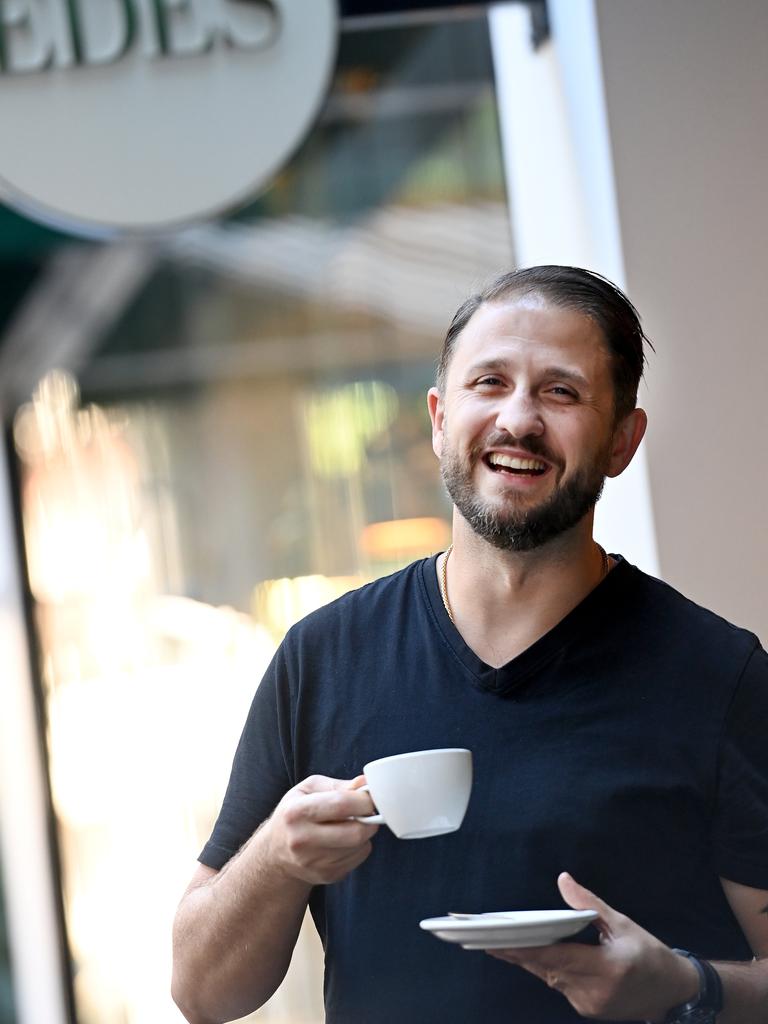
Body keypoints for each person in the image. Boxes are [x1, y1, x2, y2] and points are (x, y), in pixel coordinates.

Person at [171, 266, 768, 1024]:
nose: (518, 420)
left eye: (562, 391)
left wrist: (688, 988)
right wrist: (277, 858)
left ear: (623, 439)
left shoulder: (717, 676)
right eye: (489, 382)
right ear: (439, 418)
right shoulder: (323, 660)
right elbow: (201, 992)